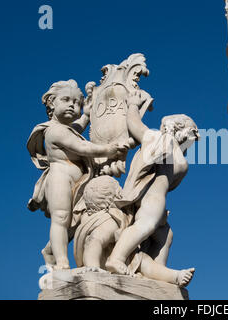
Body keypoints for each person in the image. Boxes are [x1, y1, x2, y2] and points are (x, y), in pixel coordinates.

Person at [27, 80, 126, 270]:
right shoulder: (54, 130)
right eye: (66, 100)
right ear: (51, 104)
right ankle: (62, 260)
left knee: (74, 224)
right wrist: (109, 150)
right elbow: (82, 146)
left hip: (80, 181)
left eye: (77, 102)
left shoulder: (68, 129)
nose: (73, 105)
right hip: (60, 178)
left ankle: (49, 251)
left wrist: (87, 116)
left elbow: (77, 130)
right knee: (61, 217)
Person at [105, 91, 199, 279]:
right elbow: (135, 126)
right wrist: (133, 105)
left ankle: (157, 273)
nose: (195, 139)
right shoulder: (161, 140)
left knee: (165, 234)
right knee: (146, 224)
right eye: (192, 133)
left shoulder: (176, 153)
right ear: (180, 129)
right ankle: (116, 258)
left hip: (159, 199)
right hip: (151, 197)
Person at [75, 175, 194, 287]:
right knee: (143, 261)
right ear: (115, 195)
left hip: (117, 262)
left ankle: (175, 276)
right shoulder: (109, 220)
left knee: (142, 259)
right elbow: (94, 240)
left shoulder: (116, 216)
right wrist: (93, 266)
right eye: (119, 190)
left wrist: (160, 216)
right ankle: (175, 276)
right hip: (102, 264)